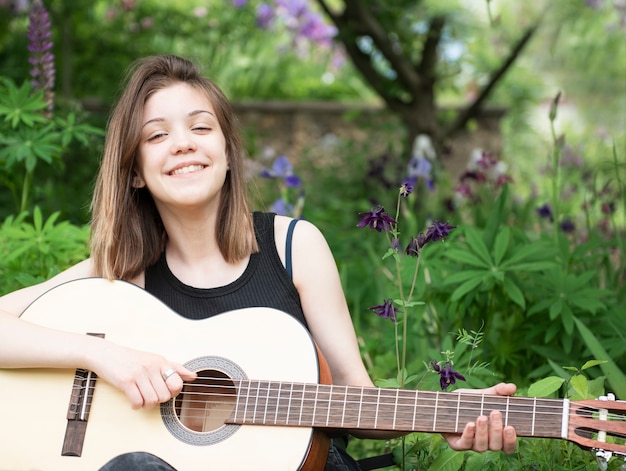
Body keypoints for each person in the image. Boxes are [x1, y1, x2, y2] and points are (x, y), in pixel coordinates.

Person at [0, 55, 517, 470]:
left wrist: (444, 413)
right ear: (135, 171)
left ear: (226, 152)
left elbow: (357, 402)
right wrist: (105, 358)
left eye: (200, 128)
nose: (182, 143)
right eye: (156, 135)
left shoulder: (294, 247)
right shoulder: (122, 272)